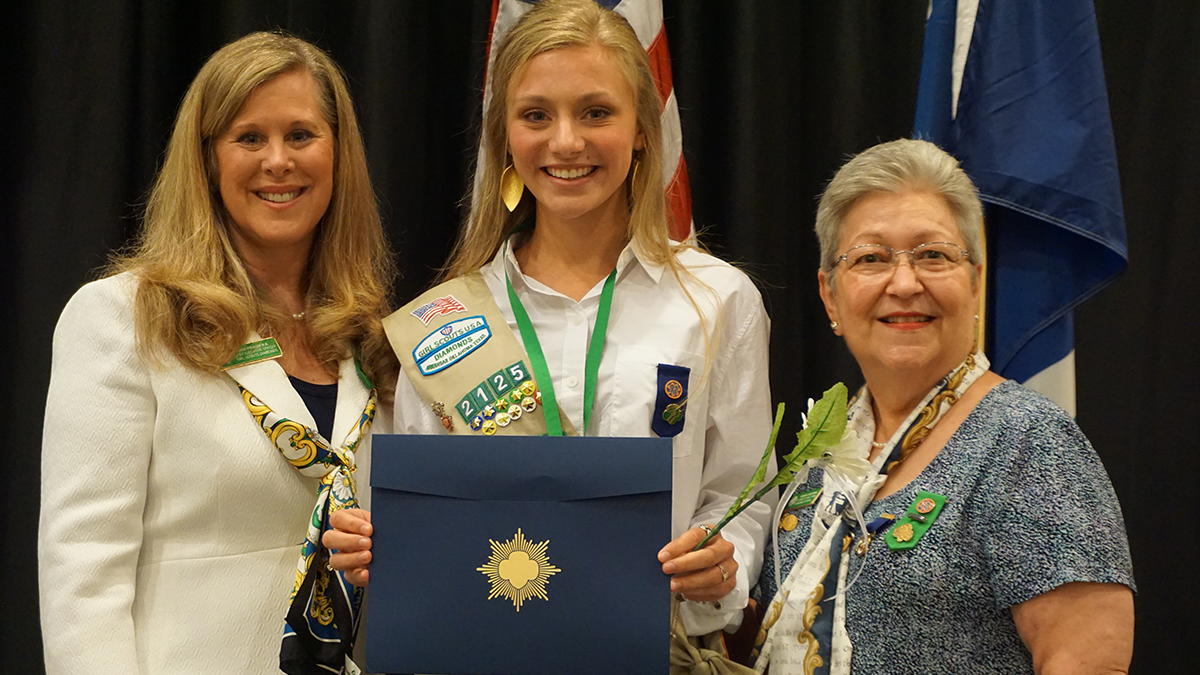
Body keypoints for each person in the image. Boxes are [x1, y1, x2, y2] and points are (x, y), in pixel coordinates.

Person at [325, 0, 774, 645]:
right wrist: (370, 539)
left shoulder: (717, 301)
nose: (566, 141)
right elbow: (409, 519)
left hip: (657, 648)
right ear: (504, 135)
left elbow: (744, 492)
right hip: (480, 647)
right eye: (536, 115)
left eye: (596, 112)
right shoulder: (440, 322)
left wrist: (722, 561)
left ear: (643, 128)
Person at [38, 32, 397, 675]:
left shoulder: (377, 339)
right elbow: (82, 573)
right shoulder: (124, 318)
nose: (278, 161)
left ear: (339, 154)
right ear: (206, 160)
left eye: (302, 135)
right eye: (248, 138)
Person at [750, 139, 1135, 674]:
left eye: (933, 255)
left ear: (975, 283)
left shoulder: (1029, 443)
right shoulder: (824, 454)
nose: (904, 283)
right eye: (871, 258)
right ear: (830, 295)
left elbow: (1090, 663)